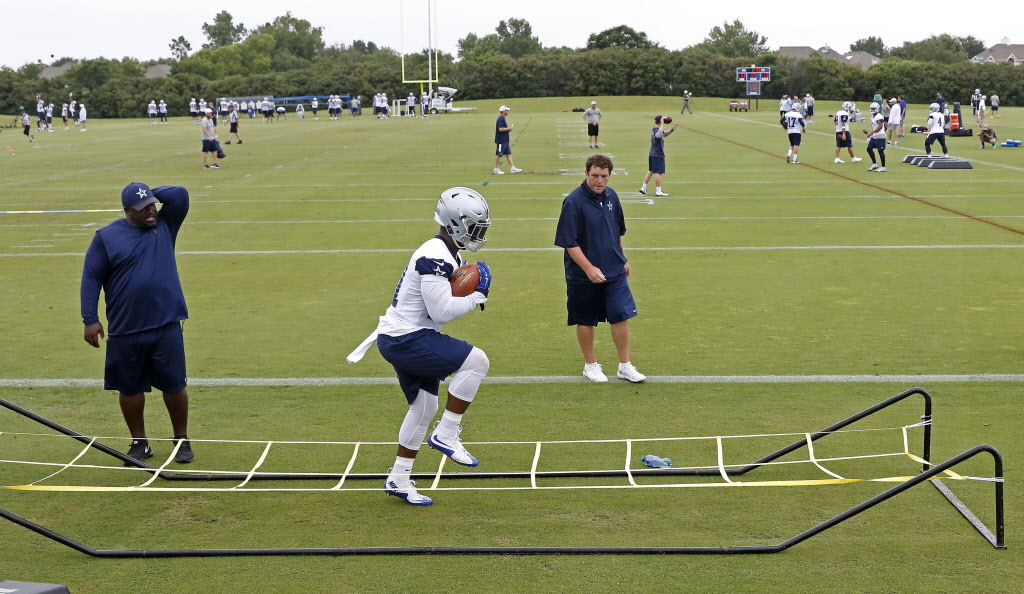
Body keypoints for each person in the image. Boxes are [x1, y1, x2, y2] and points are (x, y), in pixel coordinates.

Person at [347, 187, 493, 506]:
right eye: (474, 226)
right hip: (406, 337)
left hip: (405, 335)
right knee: (477, 362)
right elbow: (441, 310)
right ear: (456, 223)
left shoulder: (447, 252)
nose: (478, 233)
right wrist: (477, 296)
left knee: (424, 407)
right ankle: (447, 433)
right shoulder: (436, 254)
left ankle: (399, 477)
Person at [80, 182, 194, 465]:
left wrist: (145, 192)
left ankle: (181, 439)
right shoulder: (106, 237)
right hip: (125, 328)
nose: (152, 211)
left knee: (174, 385)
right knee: (129, 388)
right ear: (128, 211)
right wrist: (90, 319)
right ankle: (139, 443)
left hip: (166, 323)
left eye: (153, 205)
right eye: (144, 208)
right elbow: (92, 277)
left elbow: (179, 194)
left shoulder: (165, 225)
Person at [555, 154, 646, 384]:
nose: (599, 180)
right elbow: (569, 241)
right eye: (594, 175)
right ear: (586, 174)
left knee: (621, 315)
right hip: (583, 275)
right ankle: (590, 365)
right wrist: (588, 268)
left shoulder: (612, 196)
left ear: (609, 176)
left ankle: (625, 365)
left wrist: (622, 259)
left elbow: (617, 232)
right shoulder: (574, 201)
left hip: (614, 270)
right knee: (585, 319)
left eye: (603, 176)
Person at [639, 115, 678, 196]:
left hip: (652, 153)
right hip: (658, 154)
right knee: (659, 172)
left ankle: (643, 188)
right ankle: (658, 191)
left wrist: (671, 130)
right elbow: (659, 135)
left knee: (651, 171)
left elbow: (664, 134)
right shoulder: (657, 130)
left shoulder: (655, 129)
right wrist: (663, 123)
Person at [493, 105, 522, 174]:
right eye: (506, 110)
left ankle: (512, 168)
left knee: (508, 153)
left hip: (505, 140)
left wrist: (508, 129)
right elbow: (500, 129)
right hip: (501, 141)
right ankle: (496, 169)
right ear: (503, 111)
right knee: (499, 154)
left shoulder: (503, 118)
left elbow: (503, 129)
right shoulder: (500, 119)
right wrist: (509, 128)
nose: (508, 111)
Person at [863, 102, 887, 172]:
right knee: (869, 149)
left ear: (877, 109)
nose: (872, 110)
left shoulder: (879, 116)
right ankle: (874, 164)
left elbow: (880, 127)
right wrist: (870, 132)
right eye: (871, 108)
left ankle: (883, 167)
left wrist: (871, 133)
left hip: (880, 136)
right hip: (875, 135)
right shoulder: (873, 116)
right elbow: (875, 126)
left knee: (880, 151)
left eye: (874, 108)